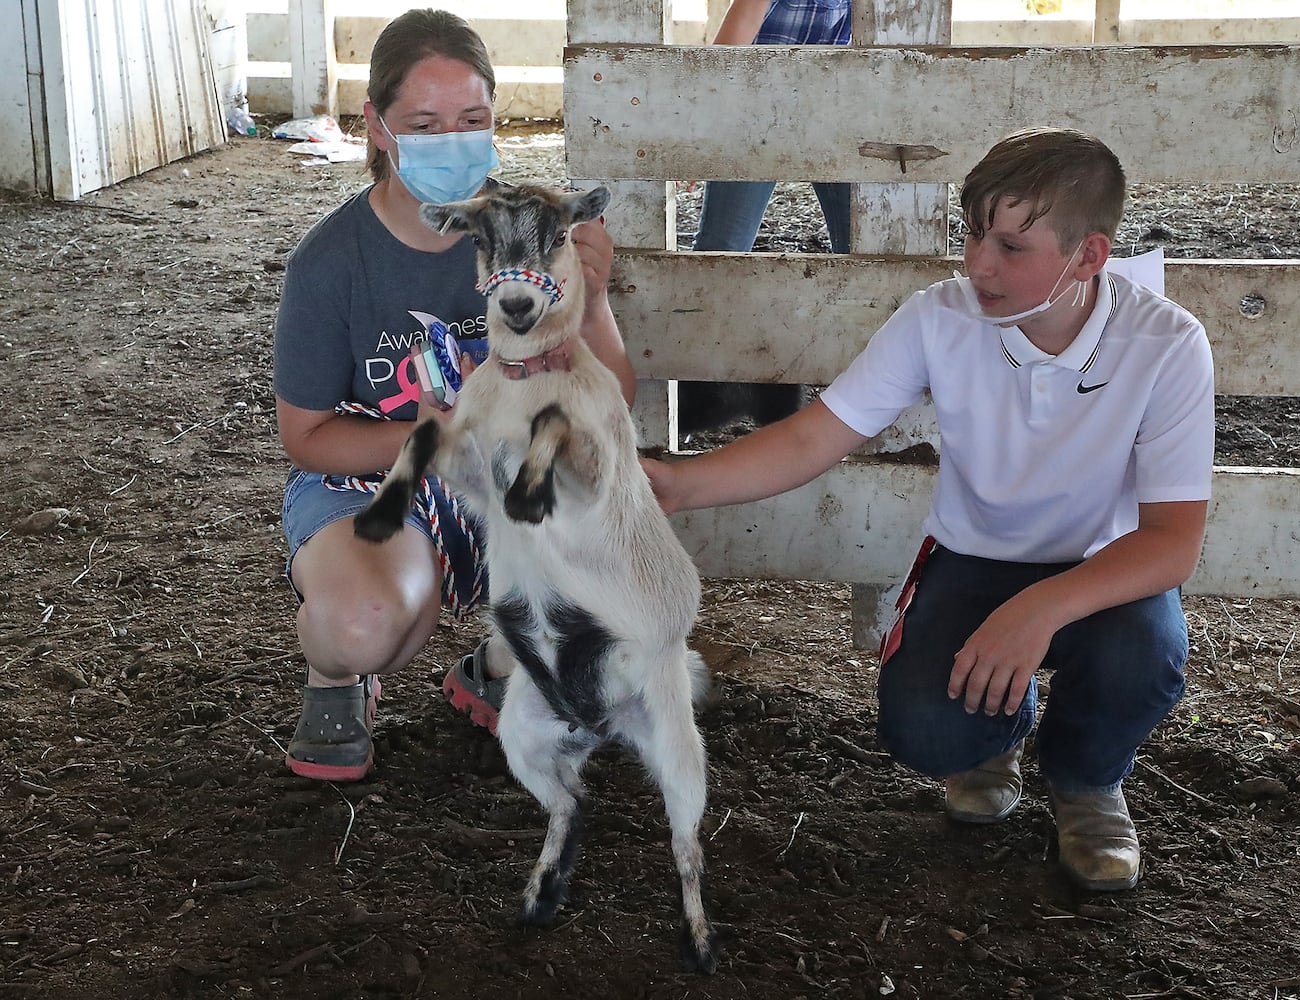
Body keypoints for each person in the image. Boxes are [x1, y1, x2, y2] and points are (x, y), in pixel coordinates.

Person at [645, 128, 1215, 892]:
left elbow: (1171, 545)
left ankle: (1087, 782)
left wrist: (1038, 609)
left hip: (1102, 572)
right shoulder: (940, 317)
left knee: (1142, 655)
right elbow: (817, 436)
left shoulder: (1167, 342)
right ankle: (995, 739)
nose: (980, 263)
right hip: (973, 557)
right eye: (975, 232)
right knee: (925, 731)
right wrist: (681, 485)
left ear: (1089, 256)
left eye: (1014, 247)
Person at [273, 8, 636, 782]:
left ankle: (503, 665)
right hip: (377, 478)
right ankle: (340, 676)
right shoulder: (330, 264)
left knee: (624, 547)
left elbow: (611, 404)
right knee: (369, 625)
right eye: (425, 123)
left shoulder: (537, 231)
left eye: (472, 119)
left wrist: (595, 303)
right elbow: (306, 437)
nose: (454, 140)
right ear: (376, 126)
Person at [678, 0, 853, 437]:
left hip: (841, 112)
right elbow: (731, 46)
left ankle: (863, 387)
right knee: (719, 253)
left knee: (869, 256)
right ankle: (689, 394)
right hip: (755, 114)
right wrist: (699, 137)